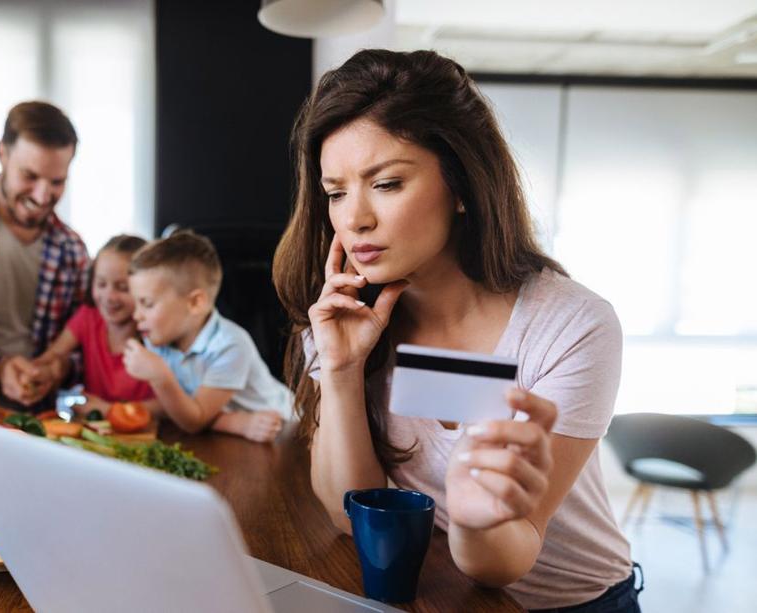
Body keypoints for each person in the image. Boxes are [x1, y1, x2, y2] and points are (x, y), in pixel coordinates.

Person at [272, 49, 640, 612]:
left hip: (571, 600)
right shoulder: (341, 316)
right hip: (437, 582)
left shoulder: (570, 325)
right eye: (336, 192)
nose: (354, 219)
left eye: (388, 184)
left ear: (463, 185)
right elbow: (350, 517)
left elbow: (508, 558)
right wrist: (342, 371)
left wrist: (472, 516)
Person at [0, 101, 90, 410]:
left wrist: (56, 368)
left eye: (57, 181)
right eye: (29, 176)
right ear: (2, 154)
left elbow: (83, 345)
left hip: (36, 416)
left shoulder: (71, 248)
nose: (41, 195)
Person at [123, 231, 291, 443]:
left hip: (284, 429)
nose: (136, 315)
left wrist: (160, 377)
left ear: (195, 303)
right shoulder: (158, 338)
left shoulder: (230, 345)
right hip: (226, 431)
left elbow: (195, 420)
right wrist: (233, 423)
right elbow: (182, 406)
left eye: (146, 304)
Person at [32, 234, 157, 414]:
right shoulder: (88, 317)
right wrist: (36, 372)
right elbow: (54, 354)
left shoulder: (156, 332)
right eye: (101, 284)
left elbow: (169, 407)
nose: (109, 297)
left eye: (122, 288)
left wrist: (111, 410)